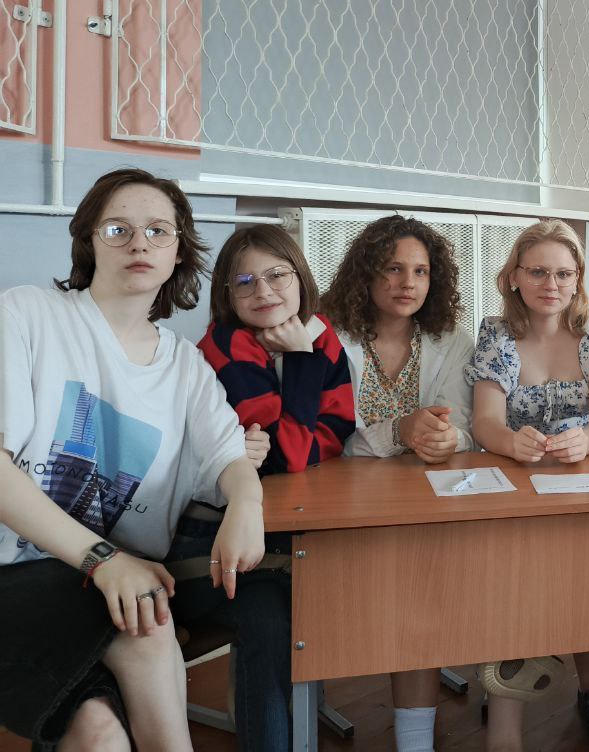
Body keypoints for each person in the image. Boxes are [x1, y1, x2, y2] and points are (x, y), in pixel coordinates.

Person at [0, 167, 265, 752]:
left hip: (106, 590)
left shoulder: (186, 366)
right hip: (17, 576)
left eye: (158, 231)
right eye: (118, 229)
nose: (139, 243)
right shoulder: (27, 315)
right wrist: (104, 559)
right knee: (147, 619)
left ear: (178, 252)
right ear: (89, 241)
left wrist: (247, 501)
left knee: (100, 733)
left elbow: (229, 456)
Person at [171, 226, 355, 751]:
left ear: (301, 278)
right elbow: (293, 455)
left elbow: (335, 433)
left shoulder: (324, 336)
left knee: (348, 574)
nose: (263, 291)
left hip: (278, 531)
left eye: (277, 275)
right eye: (244, 281)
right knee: (276, 613)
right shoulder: (223, 347)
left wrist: (291, 435)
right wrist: (300, 360)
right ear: (227, 295)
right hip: (205, 546)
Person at [465, 220, 589, 750]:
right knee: (513, 583)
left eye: (563, 273)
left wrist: (586, 440)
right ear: (514, 276)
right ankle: (505, 715)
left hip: (584, 484)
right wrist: (511, 443)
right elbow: (485, 422)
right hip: (516, 487)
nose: (551, 284)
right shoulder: (496, 334)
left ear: (578, 278)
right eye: (537, 272)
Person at [321, 214, 476, 751]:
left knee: (420, 593)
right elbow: (323, 438)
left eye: (421, 271)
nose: (408, 283)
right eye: (392, 269)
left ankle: (414, 738)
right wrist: (398, 432)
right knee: (408, 593)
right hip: (337, 505)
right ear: (365, 274)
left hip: (421, 505)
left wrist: (448, 438)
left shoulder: (451, 339)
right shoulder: (328, 335)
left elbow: (467, 427)